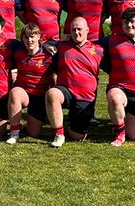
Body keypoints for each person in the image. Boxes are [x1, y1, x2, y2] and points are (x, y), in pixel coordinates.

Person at [44, 16, 104, 147]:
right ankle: (59, 134)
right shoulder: (61, 46)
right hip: (66, 91)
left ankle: (70, 121)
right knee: (52, 94)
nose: (76, 33)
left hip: (85, 97)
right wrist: (47, 44)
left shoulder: (99, 49)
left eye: (79, 29)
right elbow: (42, 43)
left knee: (77, 136)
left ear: (87, 30)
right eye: (73, 30)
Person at [101, 7, 135, 146]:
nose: (129, 25)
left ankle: (124, 120)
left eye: (132, 22)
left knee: (134, 136)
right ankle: (119, 132)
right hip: (120, 88)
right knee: (114, 97)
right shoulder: (112, 40)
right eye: (125, 22)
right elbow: (89, 46)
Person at [5, 22, 54, 144]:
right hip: (23, 92)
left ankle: (27, 125)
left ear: (39, 37)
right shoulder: (18, 52)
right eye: (26, 37)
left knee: (34, 133)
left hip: (40, 96)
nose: (30, 40)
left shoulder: (49, 54)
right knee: (15, 92)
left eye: (32, 36)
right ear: (22, 38)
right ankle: (14, 133)